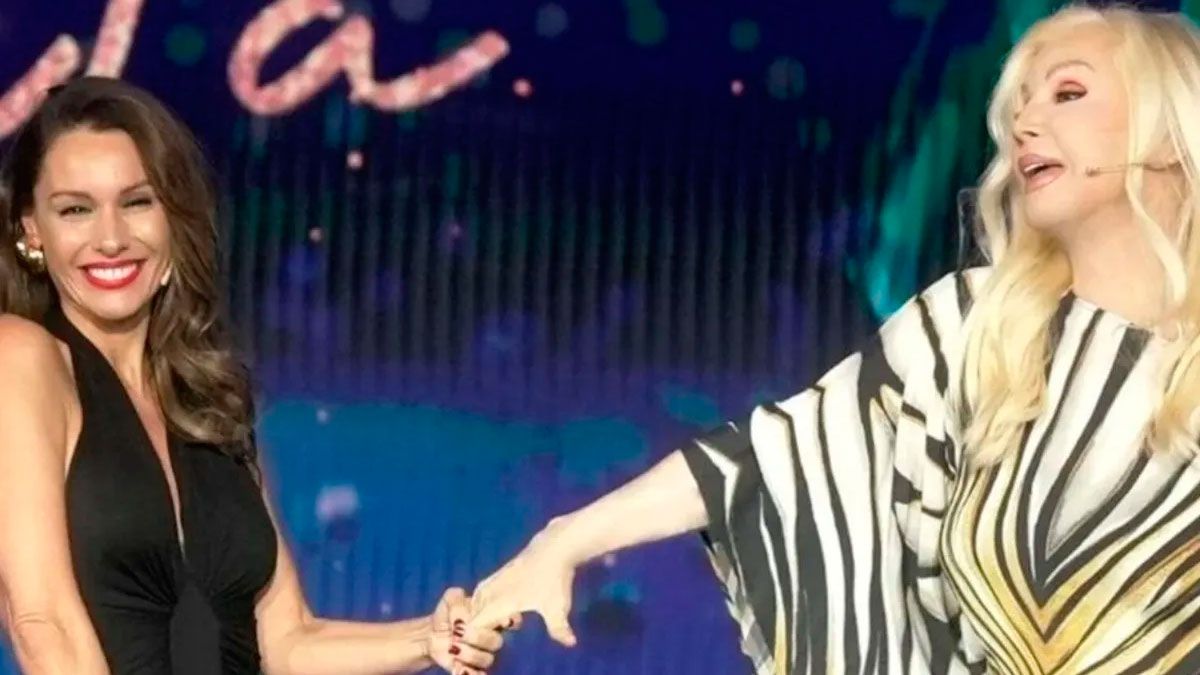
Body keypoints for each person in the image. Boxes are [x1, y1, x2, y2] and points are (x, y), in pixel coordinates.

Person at [467, 5, 1200, 673]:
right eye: (1019, 107)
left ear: (1171, 129)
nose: (1025, 124)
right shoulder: (975, 332)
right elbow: (765, 458)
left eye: (1067, 93)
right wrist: (563, 540)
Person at [0, 76, 514, 675]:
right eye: (76, 210)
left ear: (174, 217)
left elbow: (287, 641)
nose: (110, 239)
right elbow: (44, 623)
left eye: (138, 202)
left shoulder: (210, 400)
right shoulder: (21, 358)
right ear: (31, 231)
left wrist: (430, 639)